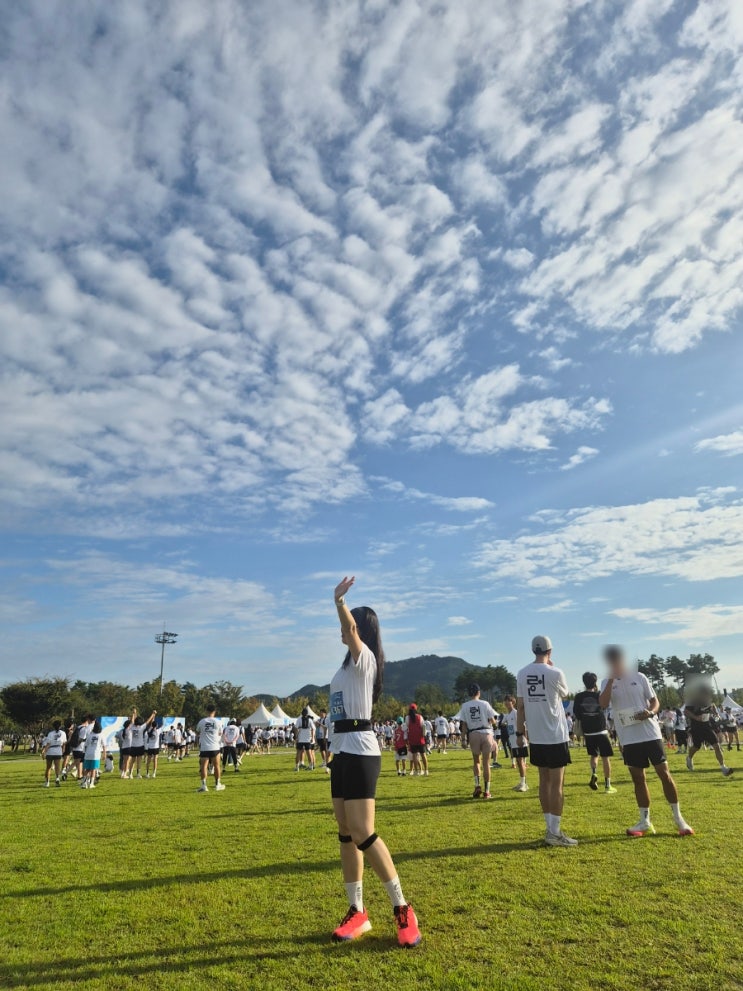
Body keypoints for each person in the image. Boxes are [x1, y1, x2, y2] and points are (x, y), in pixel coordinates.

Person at [328, 576, 421, 948]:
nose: (344, 630)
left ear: (361, 630)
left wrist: (338, 601)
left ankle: (402, 908)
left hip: (363, 750)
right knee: (345, 831)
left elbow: (349, 628)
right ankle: (357, 912)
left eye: (350, 625)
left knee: (364, 830)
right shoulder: (344, 669)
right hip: (342, 750)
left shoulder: (364, 657)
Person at [599, 646, 694, 836]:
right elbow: (602, 704)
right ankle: (644, 821)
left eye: (617, 659)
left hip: (650, 734)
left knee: (664, 774)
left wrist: (650, 712)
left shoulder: (639, 677)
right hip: (629, 737)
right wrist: (610, 680)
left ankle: (679, 819)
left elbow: (655, 701)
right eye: (612, 660)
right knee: (638, 779)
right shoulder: (605, 682)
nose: (615, 663)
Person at [516, 636, 578, 846]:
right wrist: (551, 667)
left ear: (533, 650)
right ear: (550, 651)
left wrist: (518, 733)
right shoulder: (556, 672)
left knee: (544, 782)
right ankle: (555, 832)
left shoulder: (522, 673)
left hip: (536, 736)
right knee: (557, 784)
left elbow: (521, 706)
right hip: (555, 734)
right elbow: (565, 694)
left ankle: (549, 829)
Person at [573, 673, 617, 794]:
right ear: (595, 682)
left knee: (594, 755)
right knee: (605, 758)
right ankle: (608, 785)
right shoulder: (599, 695)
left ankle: (594, 773)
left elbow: (576, 713)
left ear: (584, 682)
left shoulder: (579, 697)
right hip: (601, 730)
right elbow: (605, 706)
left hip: (588, 731)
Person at [456, 684, 496, 799]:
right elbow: (493, 720)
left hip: (473, 733)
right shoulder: (485, 704)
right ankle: (487, 791)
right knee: (486, 763)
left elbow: (463, 725)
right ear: (479, 692)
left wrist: (463, 739)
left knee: (476, 761)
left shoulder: (465, 706)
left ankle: (477, 785)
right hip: (486, 732)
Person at [684, 686, 734, 776]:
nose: (706, 696)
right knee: (696, 746)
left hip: (707, 726)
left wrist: (716, 713)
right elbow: (686, 712)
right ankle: (689, 758)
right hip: (696, 728)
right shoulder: (693, 702)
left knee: (717, 745)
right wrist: (696, 717)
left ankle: (723, 768)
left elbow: (712, 705)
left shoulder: (708, 700)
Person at [196, 705, 225, 792]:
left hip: (204, 747)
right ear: (215, 711)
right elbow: (220, 733)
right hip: (215, 746)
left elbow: (198, 732)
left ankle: (204, 786)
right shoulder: (218, 722)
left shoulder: (202, 721)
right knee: (216, 766)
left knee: (204, 766)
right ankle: (217, 785)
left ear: (206, 711)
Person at [502, 696, 529, 792]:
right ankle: (523, 782)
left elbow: (523, 726)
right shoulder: (508, 715)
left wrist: (523, 738)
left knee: (521, 762)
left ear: (513, 702)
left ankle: (523, 784)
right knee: (518, 762)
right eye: (505, 701)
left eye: (508, 701)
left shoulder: (516, 713)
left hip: (519, 740)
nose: (506, 703)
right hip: (513, 741)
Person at [123, 709, 157, 779]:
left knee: (132, 761)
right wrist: (153, 714)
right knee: (139, 761)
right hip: (140, 746)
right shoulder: (141, 728)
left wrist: (134, 713)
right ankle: (138, 774)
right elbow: (148, 721)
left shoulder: (132, 727)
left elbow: (132, 720)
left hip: (133, 746)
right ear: (140, 722)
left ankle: (130, 774)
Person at [82, 720, 106, 789]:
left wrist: (85, 753)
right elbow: (104, 746)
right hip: (95, 754)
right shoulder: (101, 735)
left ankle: (84, 783)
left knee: (87, 769)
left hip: (88, 754)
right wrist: (104, 754)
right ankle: (91, 783)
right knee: (93, 769)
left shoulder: (90, 735)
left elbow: (86, 745)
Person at [42, 720, 67, 787]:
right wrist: (63, 750)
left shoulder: (50, 733)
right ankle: (57, 779)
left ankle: (47, 782)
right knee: (57, 767)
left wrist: (44, 752)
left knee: (48, 767)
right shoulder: (63, 733)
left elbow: (48, 744)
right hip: (58, 750)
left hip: (50, 751)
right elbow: (64, 743)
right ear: (60, 726)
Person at [406, 705, 428, 776]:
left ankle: (416, 771)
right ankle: (426, 771)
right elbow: (423, 727)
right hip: (420, 738)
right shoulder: (420, 717)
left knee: (414, 755)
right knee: (423, 755)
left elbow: (406, 728)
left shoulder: (407, 718)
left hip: (412, 738)